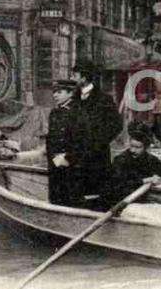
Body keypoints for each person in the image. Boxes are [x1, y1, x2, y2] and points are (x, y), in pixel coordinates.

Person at [102, 128, 161, 209]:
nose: (133, 150)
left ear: (146, 147)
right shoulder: (120, 160)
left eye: (137, 147)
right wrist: (144, 180)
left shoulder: (151, 159)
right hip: (118, 198)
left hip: (138, 196)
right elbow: (119, 183)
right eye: (131, 146)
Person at [71, 58, 123, 201]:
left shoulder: (104, 99)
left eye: (75, 75)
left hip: (97, 155)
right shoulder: (73, 99)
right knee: (77, 190)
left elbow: (117, 124)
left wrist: (99, 141)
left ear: (84, 77)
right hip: (76, 153)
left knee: (97, 190)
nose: (72, 78)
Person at [45, 79, 84, 207]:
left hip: (72, 164)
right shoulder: (55, 113)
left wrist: (68, 158)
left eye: (59, 92)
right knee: (56, 198)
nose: (55, 95)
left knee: (71, 199)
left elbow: (83, 140)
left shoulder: (79, 113)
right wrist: (52, 157)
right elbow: (50, 139)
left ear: (70, 93)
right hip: (55, 163)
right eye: (54, 92)